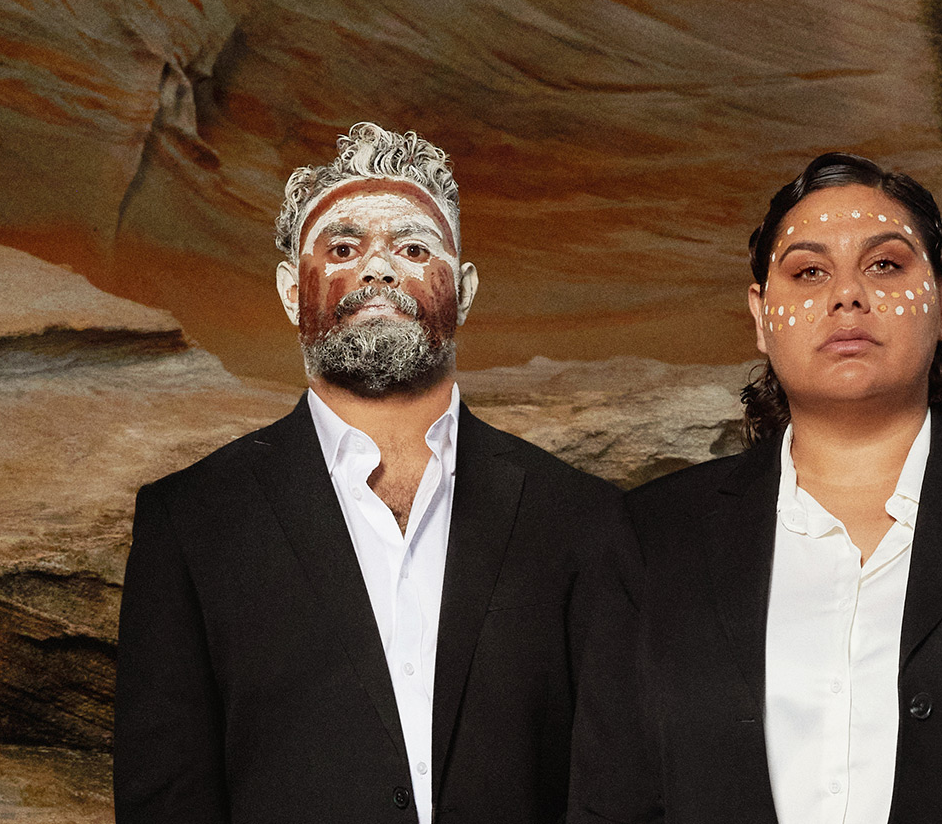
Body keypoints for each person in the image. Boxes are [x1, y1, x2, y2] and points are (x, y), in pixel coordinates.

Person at [580, 152, 942, 823]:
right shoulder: (652, 538)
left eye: (885, 264)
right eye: (808, 272)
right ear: (761, 314)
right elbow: (610, 805)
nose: (847, 295)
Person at [115, 122, 626, 824]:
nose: (379, 268)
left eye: (414, 247)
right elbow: (166, 801)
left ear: (465, 290)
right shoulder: (193, 522)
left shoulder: (579, 519)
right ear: (294, 291)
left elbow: (617, 790)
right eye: (346, 247)